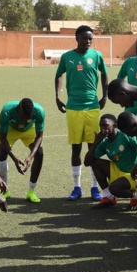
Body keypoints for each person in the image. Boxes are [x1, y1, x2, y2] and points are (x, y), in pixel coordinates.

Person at [55, 25, 108, 202]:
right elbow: (58, 75)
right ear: (77, 38)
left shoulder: (97, 55)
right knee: (76, 148)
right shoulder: (67, 57)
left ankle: (94, 187)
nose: (88, 41)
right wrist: (57, 97)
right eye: (85, 38)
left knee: (93, 147)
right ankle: (77, 187)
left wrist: (104, 96)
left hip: (92, 107)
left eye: (90, 39)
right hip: (73, 108)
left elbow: (104, 74)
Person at [84, 114, 137, 209]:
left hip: (135, 175)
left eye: (105, 125)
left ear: (115, 125)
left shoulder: (125, 135)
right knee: (96, 163)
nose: (102, 129)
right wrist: (96, 142)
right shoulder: (105, 142)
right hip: (120, 172)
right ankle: (109, 198)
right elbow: (87, 162)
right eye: (101, 126)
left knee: (114, 188)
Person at [0, 98, 44, 203]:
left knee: (39, 153)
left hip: (29, 130)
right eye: (23, 116)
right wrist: (14, 158)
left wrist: (31, 156)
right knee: (2, 151)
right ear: (19, 109)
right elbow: (2, 138)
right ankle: (5, 190)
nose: (25, 120)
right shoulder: (7, 111)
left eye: (28, 117)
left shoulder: (39, 111)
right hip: (11, 129)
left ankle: (31, 191)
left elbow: (39, 137)